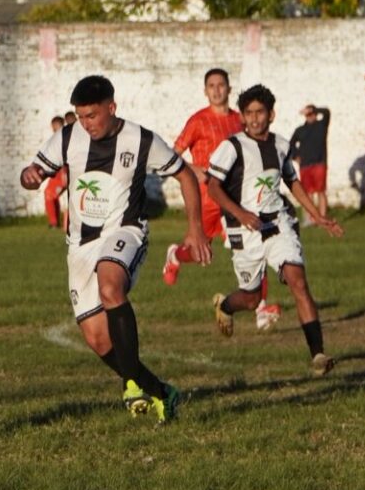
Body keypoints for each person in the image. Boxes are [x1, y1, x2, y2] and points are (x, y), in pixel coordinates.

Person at [20, 74, 210, 422]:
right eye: (80, 116)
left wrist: (194, 228)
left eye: (92, 115)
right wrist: (29, 175)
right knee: (98, 340)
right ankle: (162, 392)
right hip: (80, 245)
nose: (86, 123)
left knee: (110, 287)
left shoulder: (141, 140)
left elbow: (185, 175)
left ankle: (132, 383)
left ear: (111, 107)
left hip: (125, 230)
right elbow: (33, 173)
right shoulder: (67, 137)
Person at [205, 85, 344, 377]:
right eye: (249, 113)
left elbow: (292, 181)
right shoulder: (232, 147)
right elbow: (213, 187)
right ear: (243, 116)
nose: (255, 118)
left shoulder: (281, 145)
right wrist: (241, 214)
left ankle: (318, 354)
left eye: (260, 112)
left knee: (298, 281)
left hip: (277, 223)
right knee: (252, 299)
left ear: (271, 114)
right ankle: (226, 306)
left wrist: (317, 215)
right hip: (244, 231)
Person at [163, 67, 280, 329]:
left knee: (254, 246)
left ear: (229, 88)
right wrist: (194, 170)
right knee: (200, 254)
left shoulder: (240, 120)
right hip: (206, 199)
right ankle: (175, 255)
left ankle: (261, 308)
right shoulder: (198, 121)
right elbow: (171, 156)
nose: (216, 90)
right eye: (211, 86)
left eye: (221, 85)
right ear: (205, 91)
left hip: (234, 200)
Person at [287, 104, 332, 219]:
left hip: (319, 163)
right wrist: (296, 156)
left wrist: (313, 109)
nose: (310, 116)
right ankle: (311, 218)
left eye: (312, 114)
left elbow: (326, 112)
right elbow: (290, 144)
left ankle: (323, 217)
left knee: (321, 191)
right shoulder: (300, 130)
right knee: (308, 193)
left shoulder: (322, 125)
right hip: (305, 165)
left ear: (315, 114)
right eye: (308, 115)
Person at [42, 114, 67, 229]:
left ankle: (54, 222)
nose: (52, 129)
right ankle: (55, 222)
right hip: (58, 172)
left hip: (63, 172)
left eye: (53, 127)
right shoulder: (59, 138)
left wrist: (65, 174)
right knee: (51, 194)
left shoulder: (63, 138)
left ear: (57, 125)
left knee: (50, 193)